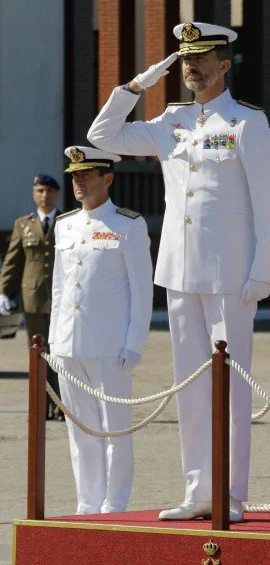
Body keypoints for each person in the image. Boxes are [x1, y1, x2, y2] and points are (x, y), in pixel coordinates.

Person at [87, 22, 270, 523]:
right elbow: (101, 136)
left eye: (200, 58)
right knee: (190, 388)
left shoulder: (245, 122)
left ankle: (232, 494)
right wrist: (136, 86)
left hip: (231, 275)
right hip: (180, 272)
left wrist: (263, 271)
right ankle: (198, 490)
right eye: (184, 59)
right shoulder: (170, 121)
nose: (190, 66)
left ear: (224, 65)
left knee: (232, 386)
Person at [49, 146, 153, 514]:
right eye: (75, 175)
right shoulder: (64, 225)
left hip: (111, 345)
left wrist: (135, 342)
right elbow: (60, 288)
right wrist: (52, 342)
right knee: (80, 430)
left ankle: (114, 502)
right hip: (69, 343)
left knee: (113, 429)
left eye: (87, 174)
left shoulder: (128, 224)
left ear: (107, 178)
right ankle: (87, 501)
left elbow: (142, 291)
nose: (78, 181)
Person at [0, 174, 63, 419]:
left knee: (60, 353)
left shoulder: (68, 221)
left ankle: (60, 406)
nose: (44, 196)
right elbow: (13, 260)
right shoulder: (23, 224)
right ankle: (41, 406)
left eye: (49, 191)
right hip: (33, 297)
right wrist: (4, 291)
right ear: (34, 194)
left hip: (62, 297)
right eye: (40, 191)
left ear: (56, 194)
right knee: (39, 353)